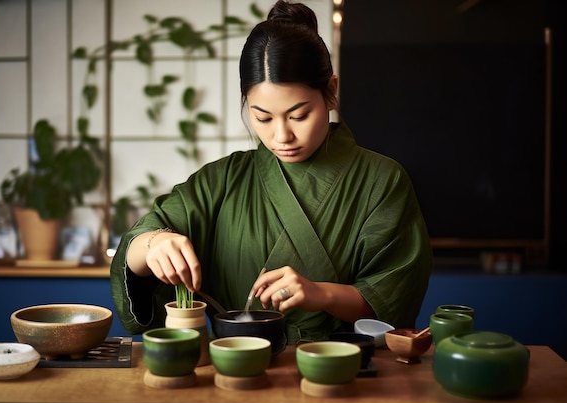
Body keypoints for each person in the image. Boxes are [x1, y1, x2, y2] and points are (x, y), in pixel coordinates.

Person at [110, 0, 433, 344]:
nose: (281, 136)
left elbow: (394, 298)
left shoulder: (381, 181)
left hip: (340, 370)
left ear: (331, 93)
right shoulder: (221, 181)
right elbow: (142, 239)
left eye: (298, 115)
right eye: (263, 117)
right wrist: (153, 244)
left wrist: (320, 294)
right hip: (235, 365)